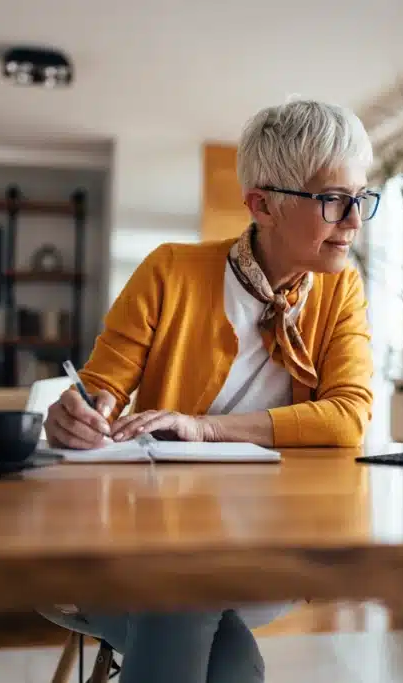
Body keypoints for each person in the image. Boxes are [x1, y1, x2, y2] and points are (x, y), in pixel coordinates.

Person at [41, 99, 378, 683]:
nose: (353, 220)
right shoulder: (169, 271)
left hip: (268, 549)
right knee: (224, 649)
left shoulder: (340, 291)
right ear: (262, 205)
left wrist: (206, 427)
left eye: (361, 198)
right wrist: (77, 415)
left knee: (191, 599)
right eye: (333, 200)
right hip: (138, 544)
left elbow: (348, 417)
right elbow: (100, 392)